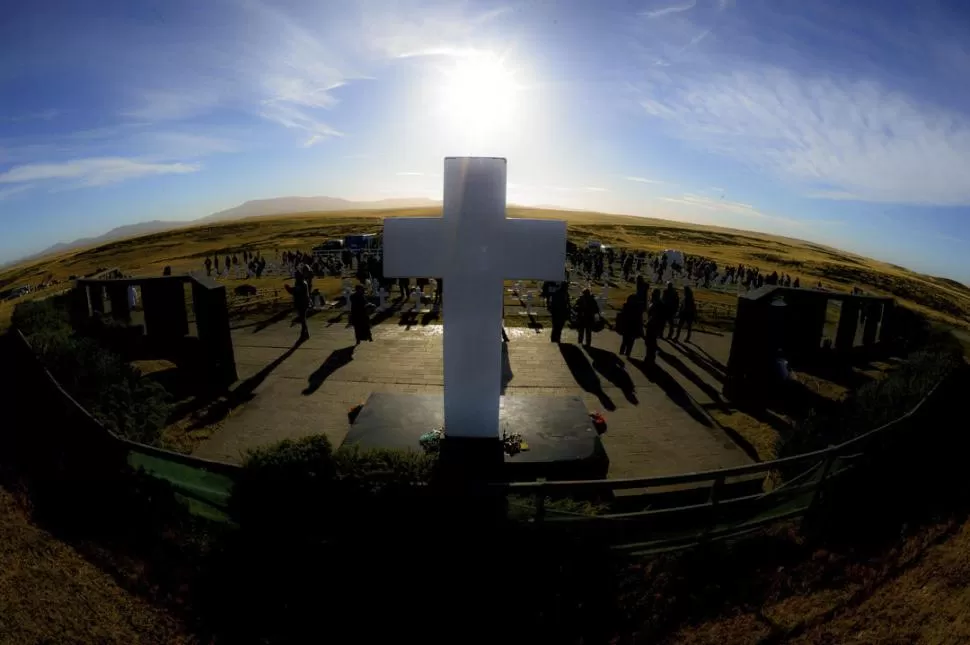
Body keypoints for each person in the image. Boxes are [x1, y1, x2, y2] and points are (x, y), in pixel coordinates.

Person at [644, 289, 664, 365]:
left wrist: (647, 322)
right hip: (656, 326)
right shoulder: (659, 303)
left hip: (652, 325)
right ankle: (650, 358)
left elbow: (654, 316)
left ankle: (649, 358)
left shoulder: (656, 304)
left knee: (649, 342)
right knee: (651, 342)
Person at [292, 269, 311, 340]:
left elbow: (296, 291)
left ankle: (304, 333)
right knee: (303, 318)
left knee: (302, 318)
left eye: (295, 276)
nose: (295, 277)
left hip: (302, 303)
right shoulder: (302, 282)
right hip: (303, 302)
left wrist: (289, 289)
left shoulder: (301, 283)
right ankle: (304, 333)